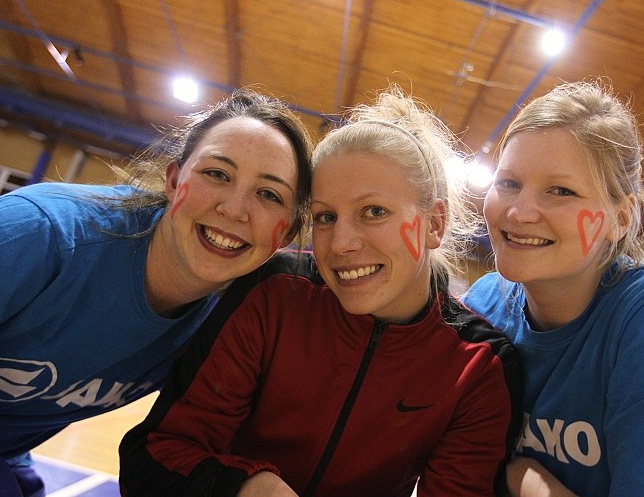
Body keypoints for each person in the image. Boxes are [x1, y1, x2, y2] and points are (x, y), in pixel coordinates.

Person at [118, 86, 524, 496]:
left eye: (373, 212)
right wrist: (249, 486)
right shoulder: (274, 294)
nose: (340, 244)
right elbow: (155, 457)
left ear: (434, 223)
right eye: (326, 217)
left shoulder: (479, 366)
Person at [0, 88, 314, 497]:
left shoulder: (232, 323)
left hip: (6, 453)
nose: (234, 209)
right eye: (217, 174)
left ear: (288, 234)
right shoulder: (35, 235)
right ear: (173, 180)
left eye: (269, 195)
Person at [462, 80, 644, 496]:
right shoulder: (483, 306)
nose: (519, 212)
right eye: (508, 182)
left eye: (561, 191)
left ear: (621, 218)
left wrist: (523, 478)